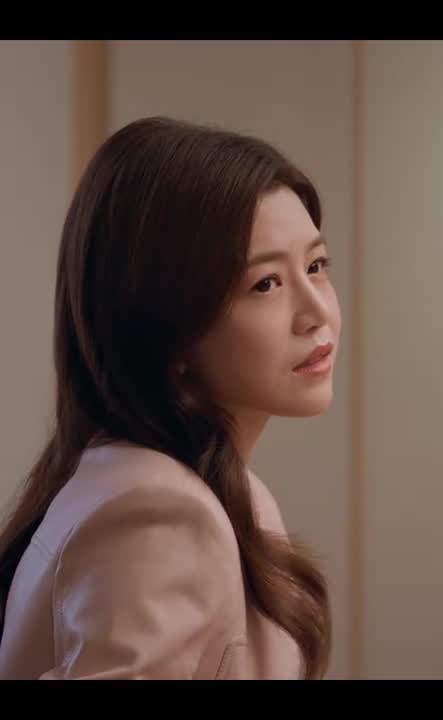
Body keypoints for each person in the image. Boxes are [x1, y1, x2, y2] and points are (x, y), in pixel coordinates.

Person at [0, 117, 337, 679]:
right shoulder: (159, 513)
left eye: (316, 266)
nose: (317, 312)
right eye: (265, 284)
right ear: (167, 326)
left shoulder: (191, 487)